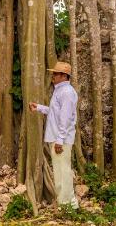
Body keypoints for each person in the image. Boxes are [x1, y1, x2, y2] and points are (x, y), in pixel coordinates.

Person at [28, 61, 79, 209]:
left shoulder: (67, 92)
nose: (53, 76)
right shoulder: (60, 90)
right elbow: (55, 112)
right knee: (59, 172)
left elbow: (66, 118)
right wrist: (38, 107)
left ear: (64, 76)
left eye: (56, 74)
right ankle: (65, 204)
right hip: (58, 138)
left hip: (60, 140)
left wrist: (60, 140)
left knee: (63, 173)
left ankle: (68, 206)